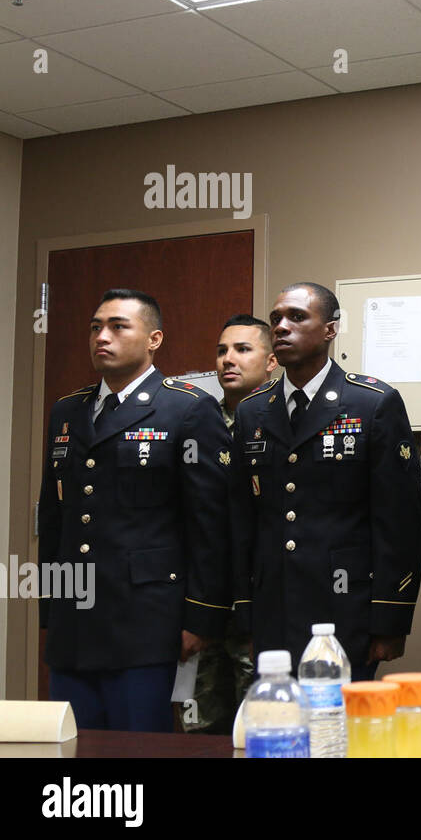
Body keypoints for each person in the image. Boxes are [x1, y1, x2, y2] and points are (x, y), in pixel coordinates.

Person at [38, 289, 232, 731]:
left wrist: (201, 617)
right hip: (73, 628)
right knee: (73, 749)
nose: (101, 337)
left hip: (147, 625)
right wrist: (51, 610)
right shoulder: (68, 410)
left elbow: (210, 524)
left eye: (117, 326)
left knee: (140, 749)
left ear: (153, 339)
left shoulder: (186, 408)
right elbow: (55, 518)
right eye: (95, 327)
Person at [229, 282, 421, 679]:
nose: (282, 327)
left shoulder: (372, 403)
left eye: (297, 317)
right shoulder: (252, 412)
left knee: (340, 733)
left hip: (346, 608)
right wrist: (245, 612)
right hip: (274, 610)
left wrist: (390, 618)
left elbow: (398, 522)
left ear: (331, 329)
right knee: (282, 727)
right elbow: (241, 523)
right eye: (276, 319)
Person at [181, 314, 276, 734]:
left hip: (259, 601)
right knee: (198, 728)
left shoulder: (283, 419)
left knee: (258, 728)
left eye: (242, 349)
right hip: (202, 602)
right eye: (221, 350)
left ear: (272, 361)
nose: (227, 360)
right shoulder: (196, 421)